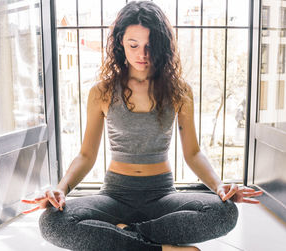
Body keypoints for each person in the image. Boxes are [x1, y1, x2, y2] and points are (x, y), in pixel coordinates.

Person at [22, 1, 263, 251]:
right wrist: (61, 190)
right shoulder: (101, 92)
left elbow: (193, 153)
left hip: (163, 195)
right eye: (133, 45)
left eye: (150, 46)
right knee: (52, 221)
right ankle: (159, 248)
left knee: (225, 213)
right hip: (115, 195)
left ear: (162, 46)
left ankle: (124, 235)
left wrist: (219, 186)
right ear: (120, 43)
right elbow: (86, 154)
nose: (142, 54)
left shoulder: (180, 91)